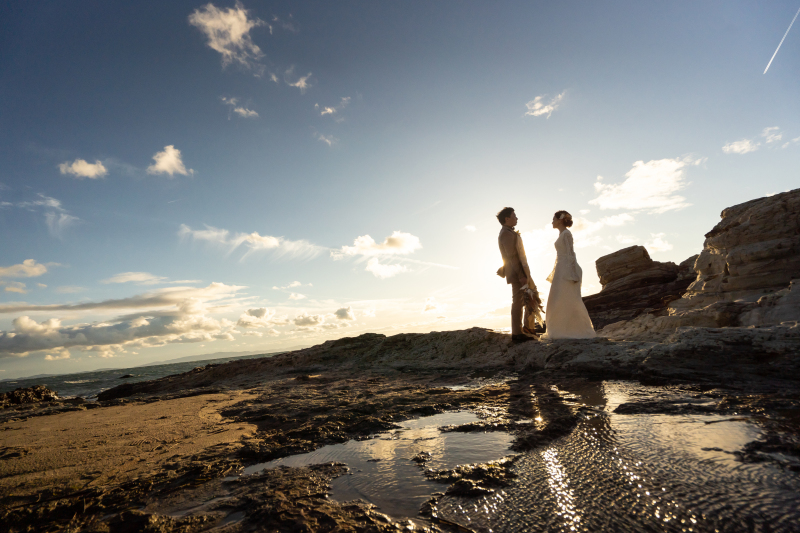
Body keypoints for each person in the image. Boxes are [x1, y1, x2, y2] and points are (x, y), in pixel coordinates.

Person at [543, 210, 596, 339]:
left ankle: (574, 330)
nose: (552, 222)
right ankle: (558, 329)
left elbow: (571, 254)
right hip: (561, 269)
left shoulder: (566, 234)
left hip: (567, 270)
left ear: (560, 220)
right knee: (557, 299)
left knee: (568, 299)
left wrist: (573, 274)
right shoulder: (561, 234)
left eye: (554, 219)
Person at [496, 207, 543, 343]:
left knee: (531, 297)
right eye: (514, 215)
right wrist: (521, 275)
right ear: (507, 219)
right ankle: (517, 333)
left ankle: (527, 329)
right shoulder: (505, 233)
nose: (516, 218)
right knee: (518, 301)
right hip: (518, 274)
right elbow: (512, 257)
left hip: (522, 272)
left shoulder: (509, 232)